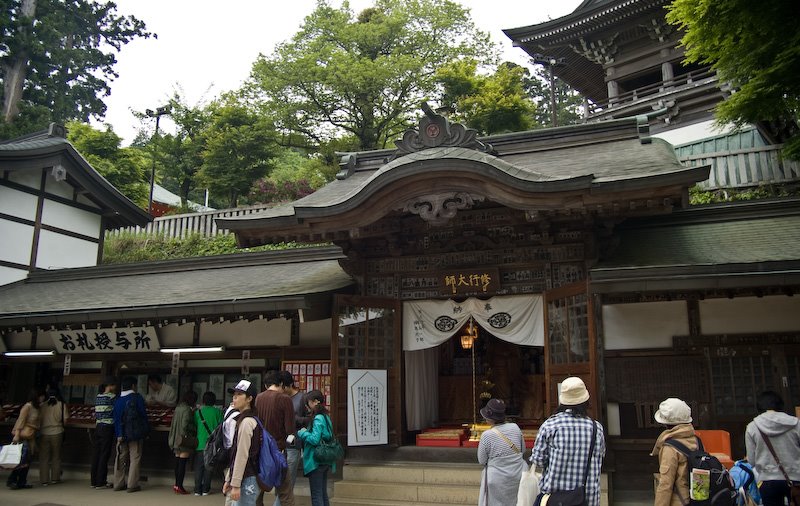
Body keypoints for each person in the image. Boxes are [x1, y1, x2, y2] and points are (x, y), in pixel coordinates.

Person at [530, 377, 606, 506]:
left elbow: (538, 461)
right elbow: (600, 457)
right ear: (586, 401)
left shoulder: (550, 425)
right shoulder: (596, 428)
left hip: (555, 499)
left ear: (562, 401)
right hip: (587, 499)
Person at [745, 390, 800, 506]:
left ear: (759, 406)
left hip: (768, 480)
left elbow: (751, 461)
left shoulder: (752, 427)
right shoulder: (795, 423)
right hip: (796, 479)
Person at [255, 370, 296, 506]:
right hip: (278, 450)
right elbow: (290, 430)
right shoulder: (285, 399)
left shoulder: (258, 398)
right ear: (281, 384)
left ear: (266, 385)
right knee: (285, 492)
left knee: (259, 489)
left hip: (260, 450)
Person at [476, 398, 526, 506]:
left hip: (496, 478)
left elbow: (482, 460)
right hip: (517, 475)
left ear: (489, 418)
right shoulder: (515, 427)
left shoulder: (487, 435)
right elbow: (523, 450)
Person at [650, 397, 697, 506]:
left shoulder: (670, 447)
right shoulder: (696, 440)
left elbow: (666, 484)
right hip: (697, 500)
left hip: (679, 501)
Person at [223, 379, 261, 506]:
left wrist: (235, 483)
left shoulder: (246, 422)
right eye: (234, 394)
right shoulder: (244, 419)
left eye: (239, 394)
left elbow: (241, 454)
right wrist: (229, 479)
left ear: (249, 398)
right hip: (246, 477)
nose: (235, 398)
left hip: (247, 478)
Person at [297, 390, 336, 506]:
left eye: (309, 402)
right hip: (325, 459)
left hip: (316, 460)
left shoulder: (318, 418)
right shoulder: (326, 417)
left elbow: (314, 439)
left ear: (316, 402)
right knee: (323, 493)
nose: (307, 406)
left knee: (316, 495)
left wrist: (302, 433)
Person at [112, 375, 149, 493]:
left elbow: (116, 418)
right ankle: (132, 485)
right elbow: (143, 415)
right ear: (133, 386)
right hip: (135, 434)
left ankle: (118, 483)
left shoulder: (117, 400)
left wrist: (119, 433)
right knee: (135, 458)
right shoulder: (137, 398)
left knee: (120, 459)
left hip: (120, 434)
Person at [276, 370, 306, 506]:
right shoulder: (281, 398)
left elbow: (309, 420)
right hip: (280, 444)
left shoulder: (302, 398)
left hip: (294, 443)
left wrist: (293, 419)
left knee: (288, 479)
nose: (281, 390)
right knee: (280, 479)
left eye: (282, 387)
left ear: (288, 385)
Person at [7, 387, 44, 490]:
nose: (43, 398)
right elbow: (21, 420)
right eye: (41, 396)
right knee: (22, 459)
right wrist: (17, 434)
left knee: (28, 460)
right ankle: (12, 480)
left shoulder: (38, 407)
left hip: (32, 436)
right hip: (24, 436)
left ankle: (22, 481)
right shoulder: (27, 407)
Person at [168, 389, 198, 494]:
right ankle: (180, 485)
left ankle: (176, 485)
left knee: (177, 462)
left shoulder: (178, 408)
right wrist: (194, 427)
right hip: (183, 441)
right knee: (182, 464)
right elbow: (186, 425)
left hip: (175, 438)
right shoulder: (187, 410)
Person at [194, 390, 223, 496]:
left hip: (200, 443)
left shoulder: (198, 412)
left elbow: (195, 425)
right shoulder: (218, 412)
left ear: (203, 401)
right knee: (209, 467)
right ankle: (206, 489)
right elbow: (221, 427)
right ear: (214, 401)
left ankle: (197, 490)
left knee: (199, 467)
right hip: (212, 444)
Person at [90, 376, 117, 489]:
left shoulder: (98, 396)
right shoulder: (112, 397)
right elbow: (116, 411)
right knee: (104, 454)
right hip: (108, 427)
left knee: (96, 453)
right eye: (114, 385)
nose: (115, 387)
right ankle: (101, 481)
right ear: (110, 386)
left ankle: (93, 481)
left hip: (98, 426)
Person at [38, 386, 66, 486]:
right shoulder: (61, 405)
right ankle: (55, 478)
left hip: (44, 432)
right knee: (56, 456)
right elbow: (65, 419)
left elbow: (39, 419)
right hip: (57, 432)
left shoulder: (42, 405)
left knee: (44, 457)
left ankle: (44, 480)